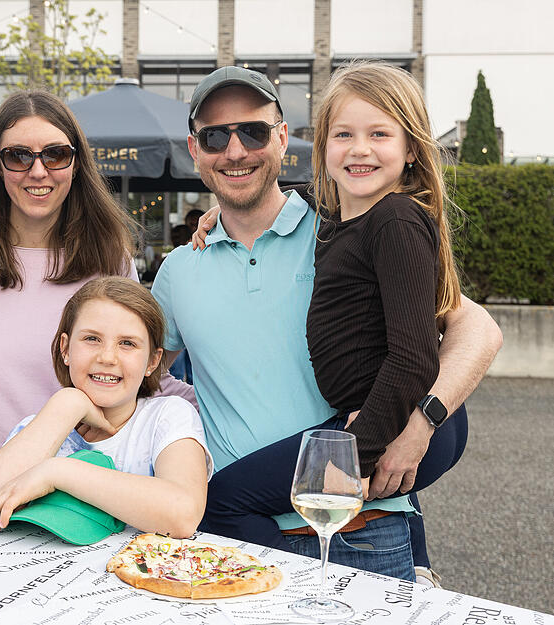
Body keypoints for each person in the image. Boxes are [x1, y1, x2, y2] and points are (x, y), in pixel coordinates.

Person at [151, 66, 502, 581]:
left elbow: (478, 330)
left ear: (281, 136)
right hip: (241, 543)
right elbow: (135, 372)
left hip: (366, 526)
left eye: (252, 131)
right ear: (195, 148)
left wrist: (423, 422)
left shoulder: (350, 225)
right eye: (214, 136)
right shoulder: (179, 271)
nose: (235, 151)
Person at [0, 90, 195, 466]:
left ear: (77, 163)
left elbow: (140, 377)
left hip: (92, 501)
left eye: (56, 154)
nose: (38, 171)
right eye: (18, 156)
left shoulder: (109, 261)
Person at [0, 277, 211, 537]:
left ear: (152, 361)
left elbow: (183, 514)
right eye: (92, 338)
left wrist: (58, 472)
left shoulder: (167, 417)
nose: (107, 357)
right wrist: (68, 404)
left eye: (127, 343)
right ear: (65, 349)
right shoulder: (44, 425)